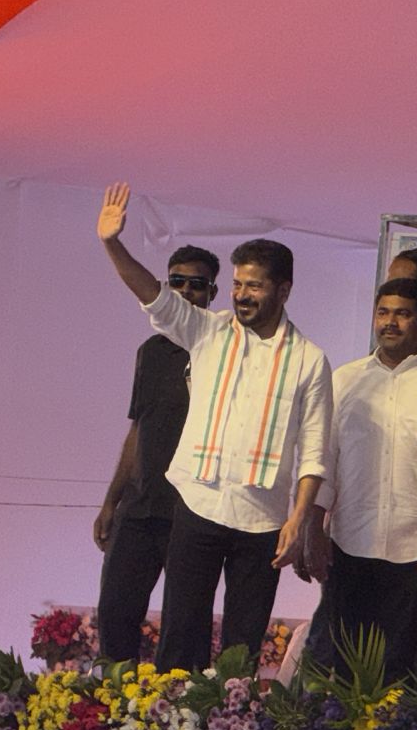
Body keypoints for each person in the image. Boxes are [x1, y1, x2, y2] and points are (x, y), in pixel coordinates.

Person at [98, 181, 332, 670]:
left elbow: (314, 452)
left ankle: (228, 718)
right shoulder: (209, 331)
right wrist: (112, 244)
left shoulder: (309, 360)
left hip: (263, 520)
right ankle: (173, 716)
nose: (241, 295)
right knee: (180, 635)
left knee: (242, 648)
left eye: (254, 286)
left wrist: (299, 518)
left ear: (283, 290)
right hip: (198, 506)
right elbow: (154, 296)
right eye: (238, 284)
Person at [304, 277, 417, 676]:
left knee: (403, 676)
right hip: (350, 545)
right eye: (383, 312)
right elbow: (324, 459)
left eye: (402, 314)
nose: (390, 322)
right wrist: (313, 527)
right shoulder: (345, 380)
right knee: (343, 672)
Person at [93, 244, 220, 662]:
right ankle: (115, 698)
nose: (185, 291)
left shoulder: (219, 352)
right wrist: (111, 501)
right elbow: (138, 428)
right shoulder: (150, 352)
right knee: (114, 611)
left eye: (196, 284)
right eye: (176, 282)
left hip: (190, 510)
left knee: (184, 627)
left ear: (212, 293)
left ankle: (180, 701)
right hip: (139, 506)